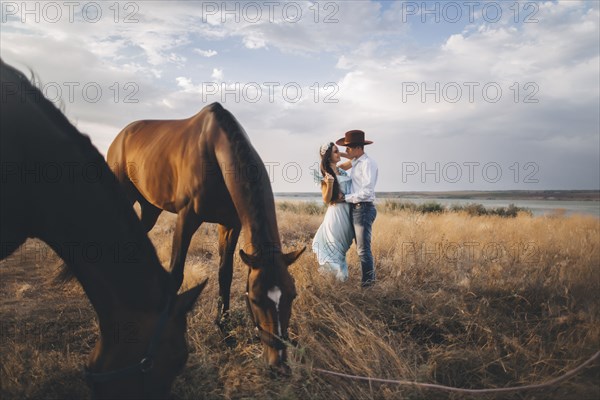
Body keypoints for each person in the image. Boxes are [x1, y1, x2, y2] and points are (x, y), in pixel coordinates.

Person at [336, 130, 378, 287]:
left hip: (364, 209)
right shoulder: (356, 161)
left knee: (363, 250)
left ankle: (368, 286)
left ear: (358, 148)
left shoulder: (367, 164)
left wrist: (344, 198)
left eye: (348, 148)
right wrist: (333, 155)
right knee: (358, 248)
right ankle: (367, 282)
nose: (346, 151)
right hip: (356, 209)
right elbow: (340, 166)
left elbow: (367, 191)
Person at [311, 142, 354, 281]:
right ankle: (337, 280)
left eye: (338, 151)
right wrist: (329, 184)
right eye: (336, 151)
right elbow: (326, 199)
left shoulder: (341, 169)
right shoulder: (326, 175)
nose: (339, 153)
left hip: (348, 213)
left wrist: (338, 153)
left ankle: (338, 280)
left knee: (342, 250)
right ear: (329, 157)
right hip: (336, 215)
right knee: (335, 249)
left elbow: (355, 158)